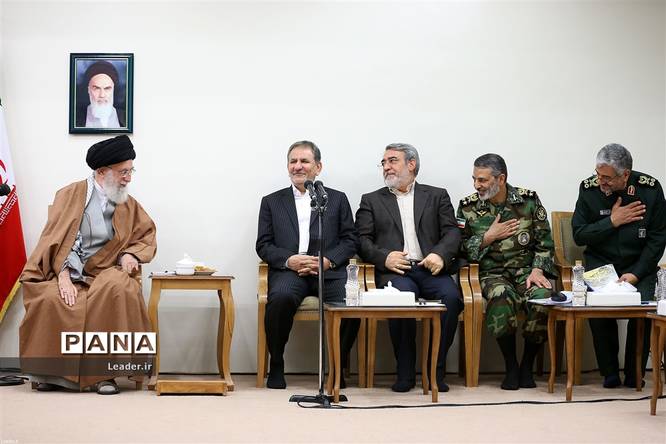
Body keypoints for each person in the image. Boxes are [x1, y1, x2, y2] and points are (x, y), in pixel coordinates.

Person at [19, 135, 156, 395]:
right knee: (48, 298)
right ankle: (53, 374)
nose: (128, 178)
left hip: (106, 271)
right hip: (66, 269)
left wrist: (130, 255)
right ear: (102, 172)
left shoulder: (128, 204)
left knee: (118, 289)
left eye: (131, 171)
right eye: (123, 172)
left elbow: (144, 234)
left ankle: (106, 375)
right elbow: (56, 238)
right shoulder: (69, 195)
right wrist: (63, 275)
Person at [355, 143, 462, 392]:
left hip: (430, 268)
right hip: (396, 271)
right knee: (401, 299)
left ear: (411, 164)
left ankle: (434, 370)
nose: (386, 167)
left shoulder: (437, 195)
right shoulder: (371, 200)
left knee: (451, 298)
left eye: (392, 160)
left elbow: (452, 232)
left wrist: (439, 254)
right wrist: (385, 258)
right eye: (384, 162)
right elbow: (360, 240)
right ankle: (405, 372)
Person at [256, 140, 360, 389]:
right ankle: (277, 363)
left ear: (318, 167)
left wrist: (327, 260)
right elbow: (264, 244)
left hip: (328, 271)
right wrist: (289, 260)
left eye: (304, 161)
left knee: (351, 302)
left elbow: (350, 240)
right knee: (280, 299)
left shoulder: (336, 199)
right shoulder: (272, 201)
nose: (298, 166)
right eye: (293, 161)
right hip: (290, 272)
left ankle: (337, 367)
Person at [457, 153, 557, 390]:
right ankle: (511, 365)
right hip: (491, 274)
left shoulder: (528, 200)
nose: (476, 185)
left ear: (501, 179)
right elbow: (458, 248)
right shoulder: (468, 207)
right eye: (474, 179)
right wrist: (487, 237)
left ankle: (527, 365)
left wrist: (537, 270)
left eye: (482, 180)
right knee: (502, 296)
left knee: (543, 298)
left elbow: (545, 242)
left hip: (526, 272)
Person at [572, 143, 666, 388]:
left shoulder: (650, 189)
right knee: (598, 306)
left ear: (625, 174)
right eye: (598, 174)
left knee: (645, 309)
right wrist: (612, 221)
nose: (600, 181)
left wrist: (636, 273)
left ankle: (635, 373)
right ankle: (609, 372)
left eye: (607, 178)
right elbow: (579, 235)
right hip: (601, 264)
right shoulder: (588, 189)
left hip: (639, 265)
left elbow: (658, 238)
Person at [76, 60, 126, 129]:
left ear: (113, 89)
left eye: (107, 88)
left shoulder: (126, 118)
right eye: (96, 88)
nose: (102, 95)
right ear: (88, 90)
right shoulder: (76, 119)